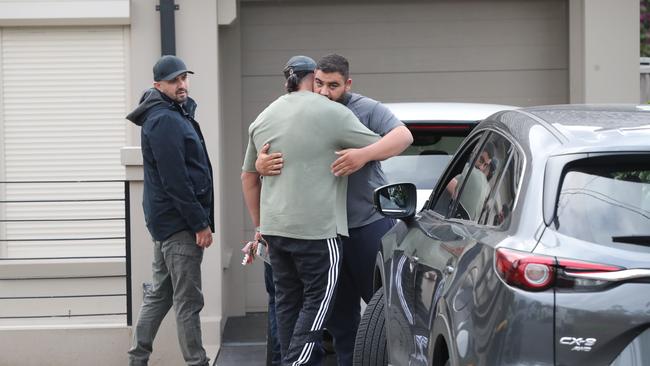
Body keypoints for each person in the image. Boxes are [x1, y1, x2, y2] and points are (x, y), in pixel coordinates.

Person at [256, 54, 413, 366]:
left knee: (388, 311)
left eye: (333, 85)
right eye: (319, 83)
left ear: (348, 84)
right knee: (341, 323)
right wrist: (261, 166)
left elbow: (403, 137)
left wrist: (363, 156)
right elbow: (272, 154)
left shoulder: (366, 109)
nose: (325, 91)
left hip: (367, 224)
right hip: (326, 233)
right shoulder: (302, 111)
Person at [126, 55, 214, 366]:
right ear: (158, 85)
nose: (181, 84)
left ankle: (137, 359)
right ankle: (197, 362)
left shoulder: (173, 113)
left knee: (160, 294)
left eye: (184, 78)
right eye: (174, 80)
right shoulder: (163, 119)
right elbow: (175, 179)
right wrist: (199, 223)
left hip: (170, 223)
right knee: (188, 301)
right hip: (180, 225)